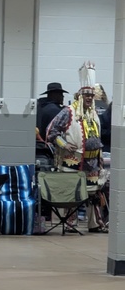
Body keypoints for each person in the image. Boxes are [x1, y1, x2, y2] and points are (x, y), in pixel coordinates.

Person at [46, 61, 107, 232]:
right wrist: (64, 144)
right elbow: (51, 131)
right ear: (79, 96)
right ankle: (70, 223)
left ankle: (95, 224)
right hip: (72, 160)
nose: (89, 98)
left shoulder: (93, 113)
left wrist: (99, 157)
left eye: (91, 96)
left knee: (94, 193)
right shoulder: (68, 112)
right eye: (86, 96)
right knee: (71, 192)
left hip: (92, 161)